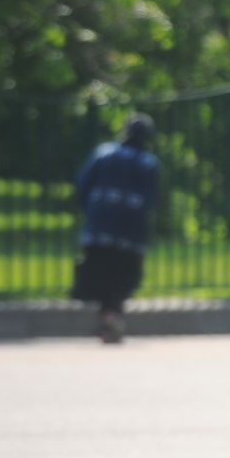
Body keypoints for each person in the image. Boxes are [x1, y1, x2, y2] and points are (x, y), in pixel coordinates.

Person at [72, 113, 160, 344]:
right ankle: (113, 315)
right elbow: (151, 199)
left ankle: (108, 317)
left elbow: (82, 186)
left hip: (99, 225)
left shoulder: (103, 153)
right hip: (130, 232)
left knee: (100, 273)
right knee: (123, 276)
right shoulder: (149, 163)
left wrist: (90, 211)